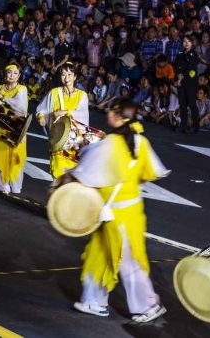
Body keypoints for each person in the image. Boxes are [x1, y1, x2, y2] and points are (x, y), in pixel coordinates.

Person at [71, 98, 168, 323]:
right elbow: (149, 173)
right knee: (100, 254)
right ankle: (93, 301)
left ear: (118, 116)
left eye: (112, 110)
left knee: (127, 262)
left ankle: (149, 305)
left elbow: (84, 172)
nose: (109, 113)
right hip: (133, 212)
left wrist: (82, 150)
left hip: (115, 215)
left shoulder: (109, 143)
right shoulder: (140, 141)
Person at [35, 62, 91, 180]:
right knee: (58, 171)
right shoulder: (54, 93)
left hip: (75, 142)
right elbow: (42, 109)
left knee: (73, 174)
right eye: (63, 74)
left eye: (70, 74)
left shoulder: (82, 95)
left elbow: (83, 115)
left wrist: (66, 112)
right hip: (58, 139)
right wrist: (41, 117)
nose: (66, 78)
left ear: (75, 76)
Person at [0, 62, 29, 194]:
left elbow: (20, 108)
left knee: (16, 156)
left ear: (19, 76)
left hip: (17, 127)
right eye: (9, 72)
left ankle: (15, 184)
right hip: (1, 128)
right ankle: (2, 185)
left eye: (15, 73)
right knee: (1, 155)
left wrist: (2, 97)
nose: (11, 75)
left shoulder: (21, 89)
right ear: (5, 74)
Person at [174, 34, 201, 134]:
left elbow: (191, 68)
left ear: (192, 43)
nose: (186, 43)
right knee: (183, 104)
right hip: (180, 82)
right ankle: (183, 124)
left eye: (188, 41)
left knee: (192, 104)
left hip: (190, 83)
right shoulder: (180, 54)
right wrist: (177, 76)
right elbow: (176, 66)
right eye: (184, 41)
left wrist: (181, 77)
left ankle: (195, 125)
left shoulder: (194, 54)